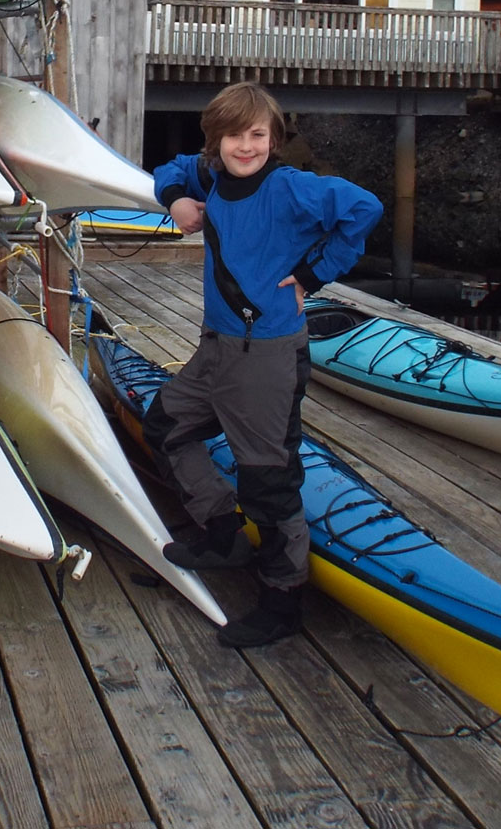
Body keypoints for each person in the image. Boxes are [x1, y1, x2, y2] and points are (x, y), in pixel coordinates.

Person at [143, 81, 383, 647]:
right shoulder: (212, 175)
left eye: (257, 135)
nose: (245, 147)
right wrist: (176, 198)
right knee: (166, 428)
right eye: (233, 136)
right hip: (216, 348)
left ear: (273, 139)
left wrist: (313, 273)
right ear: (216, 142)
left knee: (270, 481)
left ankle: (282, 599)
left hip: (267, 356)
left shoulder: (291, 188)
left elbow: (363, 209)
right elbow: (171, 169)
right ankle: (222, 532)